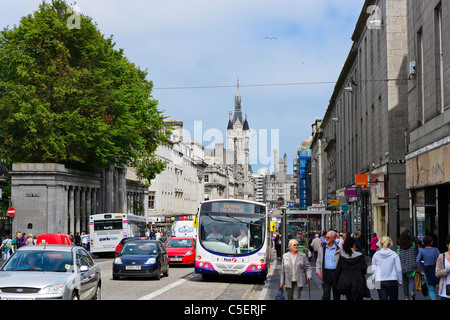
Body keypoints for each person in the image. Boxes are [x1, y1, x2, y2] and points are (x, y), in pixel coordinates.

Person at [336, 236, 370, 300]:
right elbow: (364, 269)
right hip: (358, 280)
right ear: (354, 245)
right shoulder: (360, 255)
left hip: (346, 280)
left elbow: (338, 269)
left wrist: (337, 282)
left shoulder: (342, 256)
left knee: (349, 297)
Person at [371, 236, 402, 300]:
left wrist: (373, 281)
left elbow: (373, 269)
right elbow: (399, 269)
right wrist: (400, 281)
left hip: (379, 281)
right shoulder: (394, 255)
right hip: (392, 280)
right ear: (390, 243)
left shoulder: (376, 255)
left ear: (380, 243)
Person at [316, 230, 342, 300]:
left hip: (335, 274)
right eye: (325, 237)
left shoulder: (339, 249)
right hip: (325, 273)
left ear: (333, 238)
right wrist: (318, 272)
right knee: (325, 295)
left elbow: (342, 262)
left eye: (328, 237)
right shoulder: (322, 248)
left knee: (336, 294)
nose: (326, 238)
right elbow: (318, 261)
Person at [416, 235, 440, 300]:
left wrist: (421, 271)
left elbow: (417, 261)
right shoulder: (435, 249)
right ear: (431, 242)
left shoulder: (422, 250)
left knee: (431, 290)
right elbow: (440, 259)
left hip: (427, 270)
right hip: (435, 270)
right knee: (432, 289)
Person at [396, 230, 417, 300]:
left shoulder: (399, 246)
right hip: (411, 265)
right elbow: (415, 253)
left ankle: (406, 297)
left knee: (405, 282)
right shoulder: (412, 244)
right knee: (411, 280)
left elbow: (398, 256)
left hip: (403, 266)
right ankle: (412, 293)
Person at [435, 234, 450, 300]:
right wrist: (447, 270)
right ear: (447, 245)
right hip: (445, 292)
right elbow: (437, 273)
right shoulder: (442, 257)